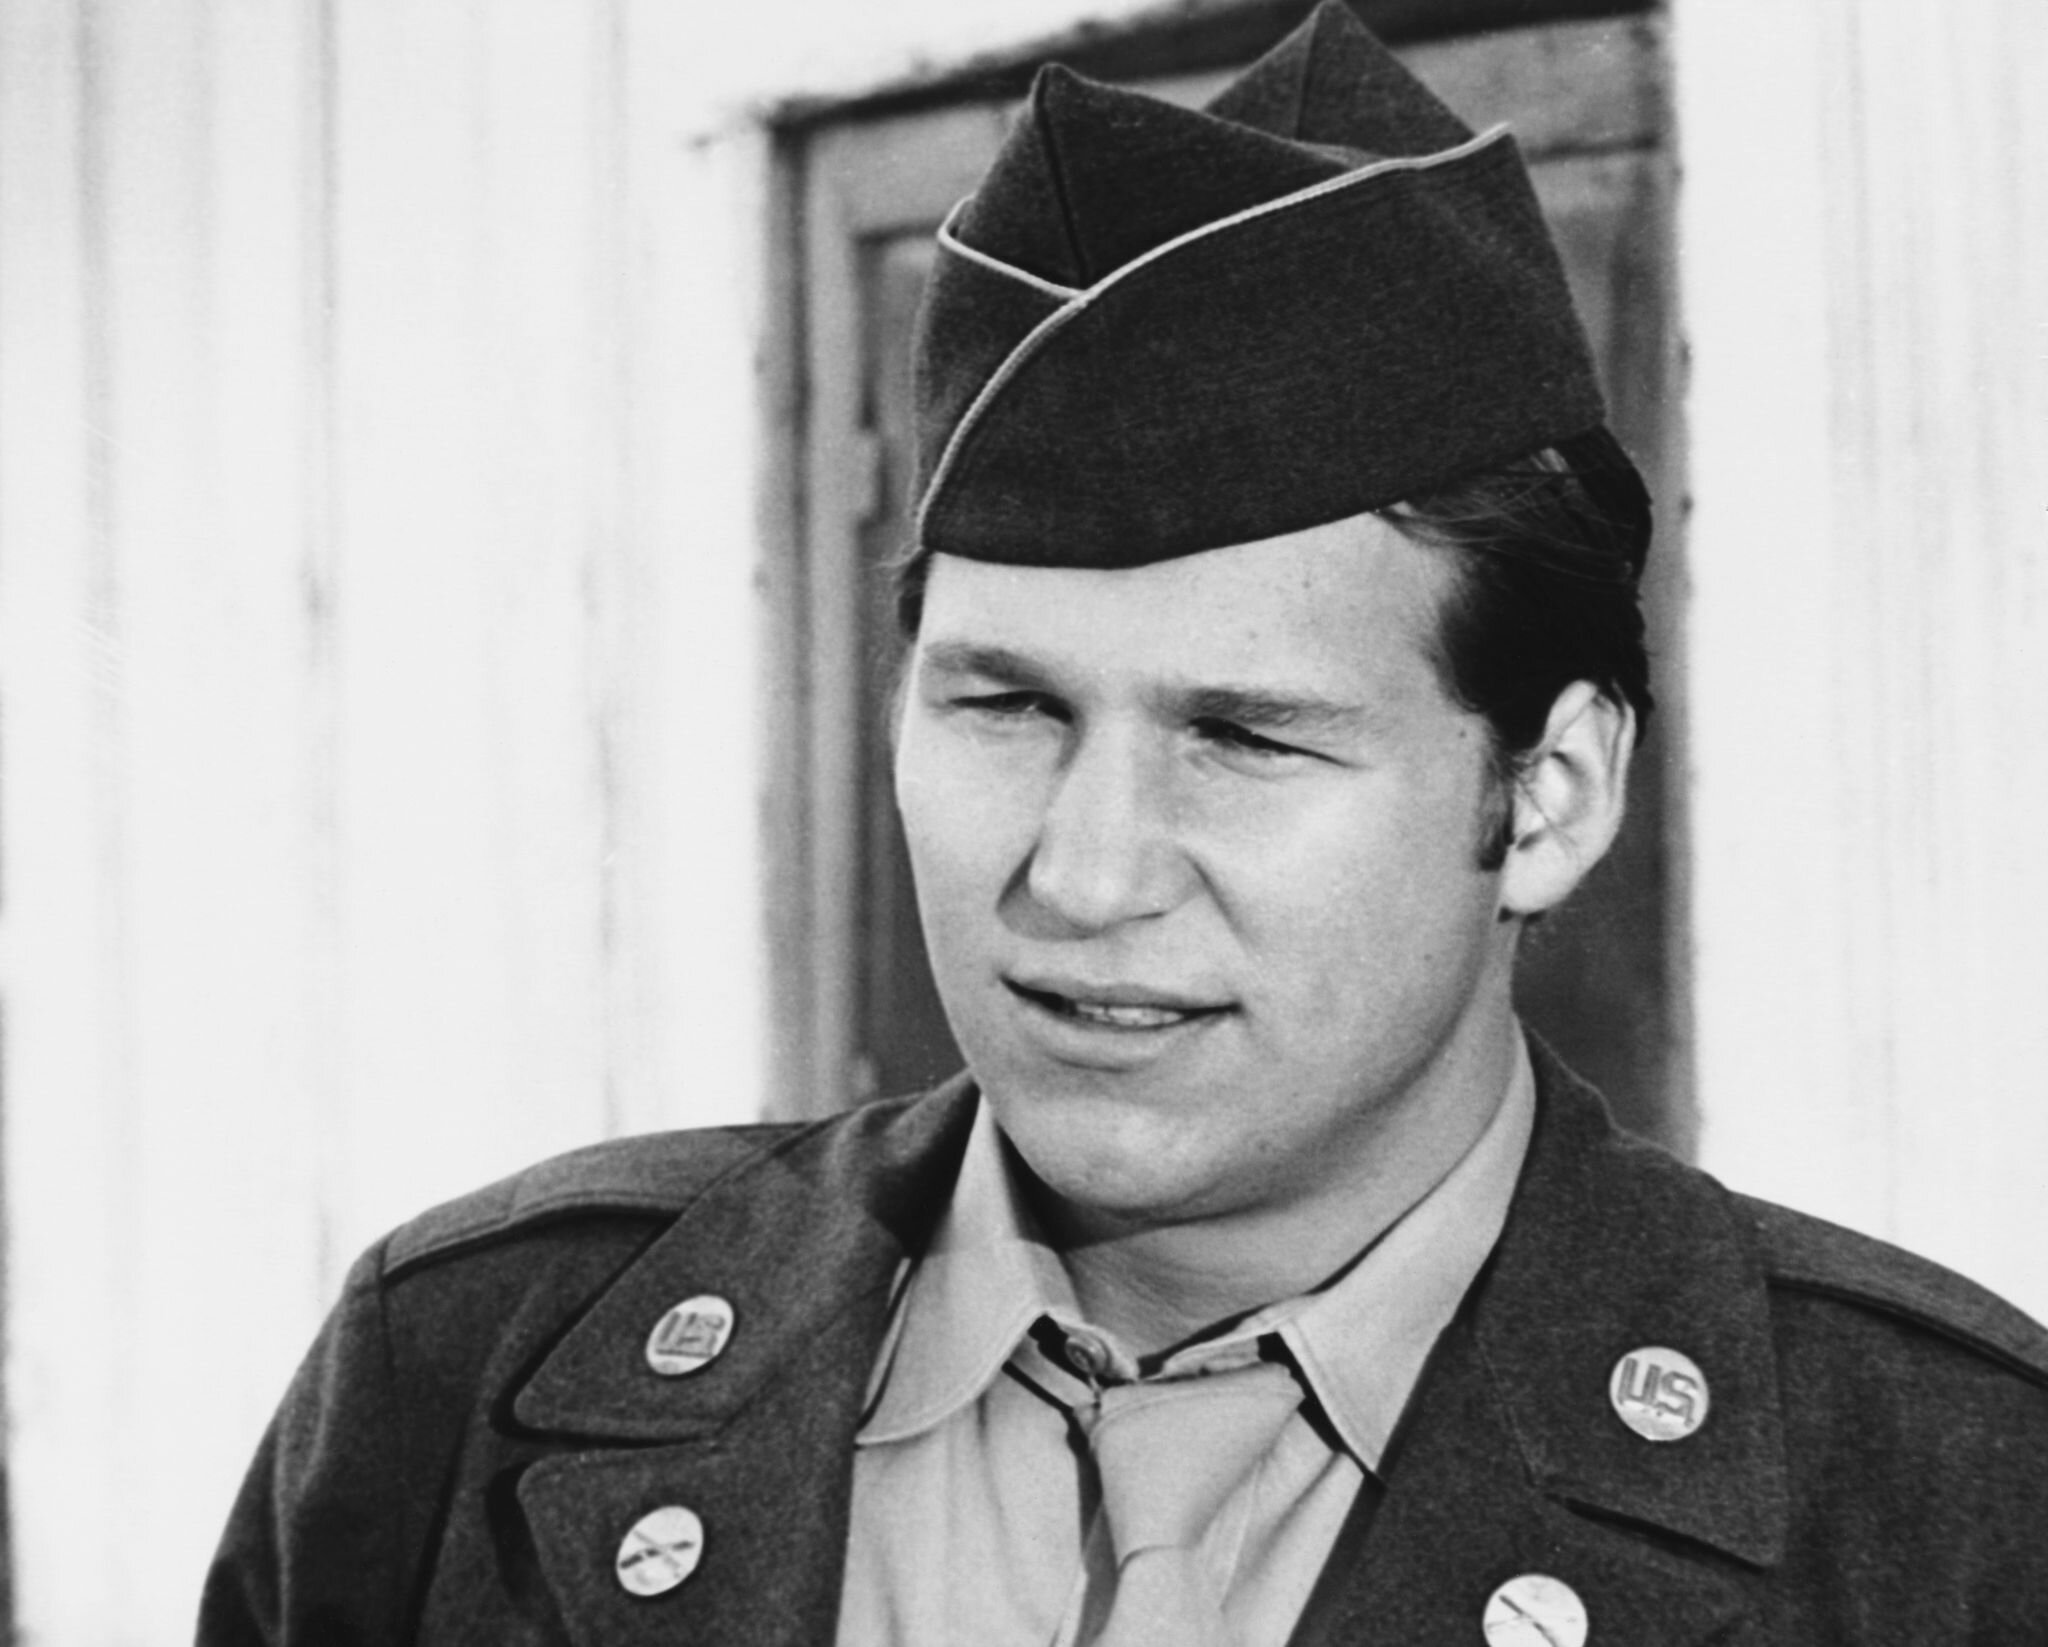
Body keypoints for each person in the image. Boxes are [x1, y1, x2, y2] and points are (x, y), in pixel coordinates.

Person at [199, 6, 2048, 1643]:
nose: (1081, 878)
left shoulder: (1953, 1503)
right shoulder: (465, 1370)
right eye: (1005, 706)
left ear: (1548, 796)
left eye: (1244, 737)